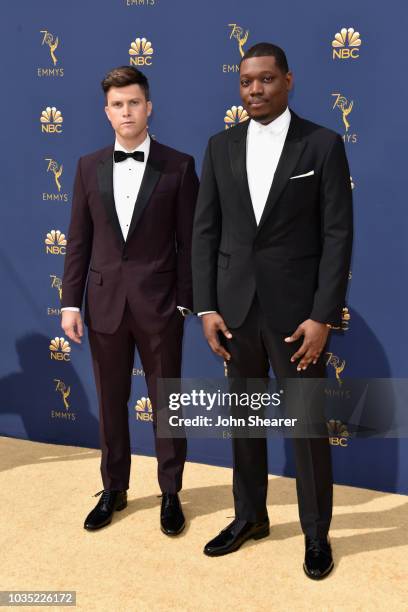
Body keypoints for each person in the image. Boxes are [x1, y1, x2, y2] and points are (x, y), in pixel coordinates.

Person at [192, 43, 353, 578]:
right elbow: (205, 233)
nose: (254, 90)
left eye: (264, 79)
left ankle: (315, 534)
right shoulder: (219, 146)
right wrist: (206, 307)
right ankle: (249, 518)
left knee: (306, 427)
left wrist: (323, 315)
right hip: (235, 311)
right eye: (245, 81)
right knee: (243, 421)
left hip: (296, 316)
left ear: (288, 79)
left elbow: (337, 236)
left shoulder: (323, 145)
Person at [61, 66, 199, 535]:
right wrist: (70, 303)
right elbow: (78, 240)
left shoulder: (179, 166)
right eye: (117, 104)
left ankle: (171, 492)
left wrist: (184, 302)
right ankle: (114, 488)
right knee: (111, 401)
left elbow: (190, 243)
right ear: (107, 112)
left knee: (167, 403)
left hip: (160, 305)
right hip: (102, 305)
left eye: (134, 102)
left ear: (149, 107)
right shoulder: (86, 166)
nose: (126, 111)